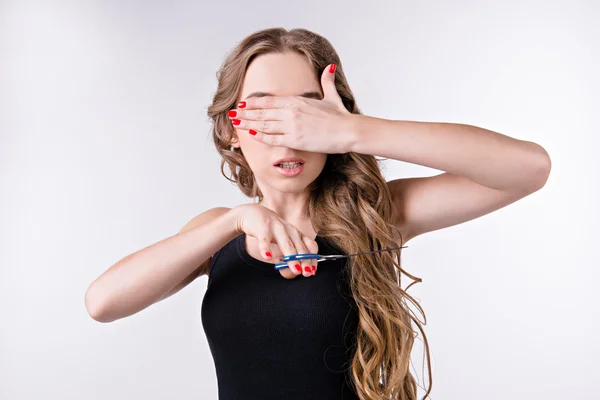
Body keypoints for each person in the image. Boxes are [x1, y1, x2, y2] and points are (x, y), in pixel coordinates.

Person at [84, 27, 551, 400]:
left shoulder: (376, 215)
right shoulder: (216, 232)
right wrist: (233, 220)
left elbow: (528, 169)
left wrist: (355, 131)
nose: (290, 135)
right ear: (231, 131)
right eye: (266, 113)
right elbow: (103, 303)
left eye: (306, 114)